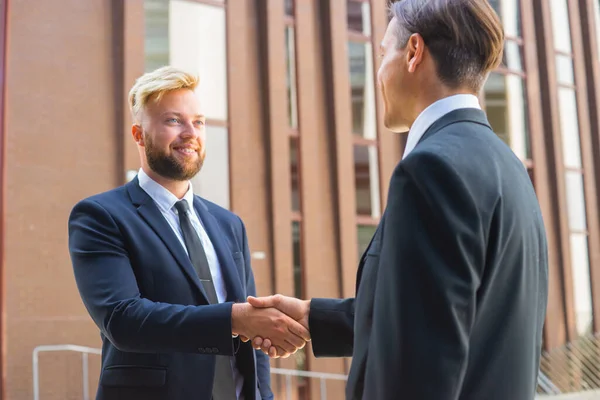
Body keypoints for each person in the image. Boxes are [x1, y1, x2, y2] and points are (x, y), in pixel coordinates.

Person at [247, 1, 549, 399]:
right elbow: (441, 318)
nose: (379, 72)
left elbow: (420, 368)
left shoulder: (430, 171)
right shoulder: (508, 167)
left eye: (383, 52)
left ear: (413, 52)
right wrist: (316, 318)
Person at [68, 66, 310, 400]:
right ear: (138, 134)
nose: (190, 132)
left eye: (198, 121)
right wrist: (235, 319)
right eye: (173, 120)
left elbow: (252, 338)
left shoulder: (228, 225)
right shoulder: (101, 216)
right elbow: (124, 321)